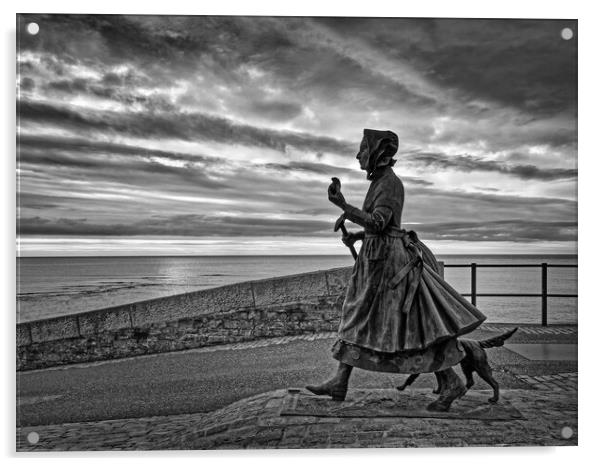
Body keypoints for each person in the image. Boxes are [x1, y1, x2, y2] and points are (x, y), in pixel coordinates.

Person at [306, 128, 487, 411]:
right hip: (377, 261)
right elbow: (383, 228)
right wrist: (358, 236)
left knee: (411, 326)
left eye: (363, 150)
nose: (358, 155)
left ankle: (451, 382)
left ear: (376, 153)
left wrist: (343, 206)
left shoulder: (390, 183)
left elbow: (379, 223)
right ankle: (340, 381)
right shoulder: (380, 182)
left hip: (389, 268)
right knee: (360, 318)